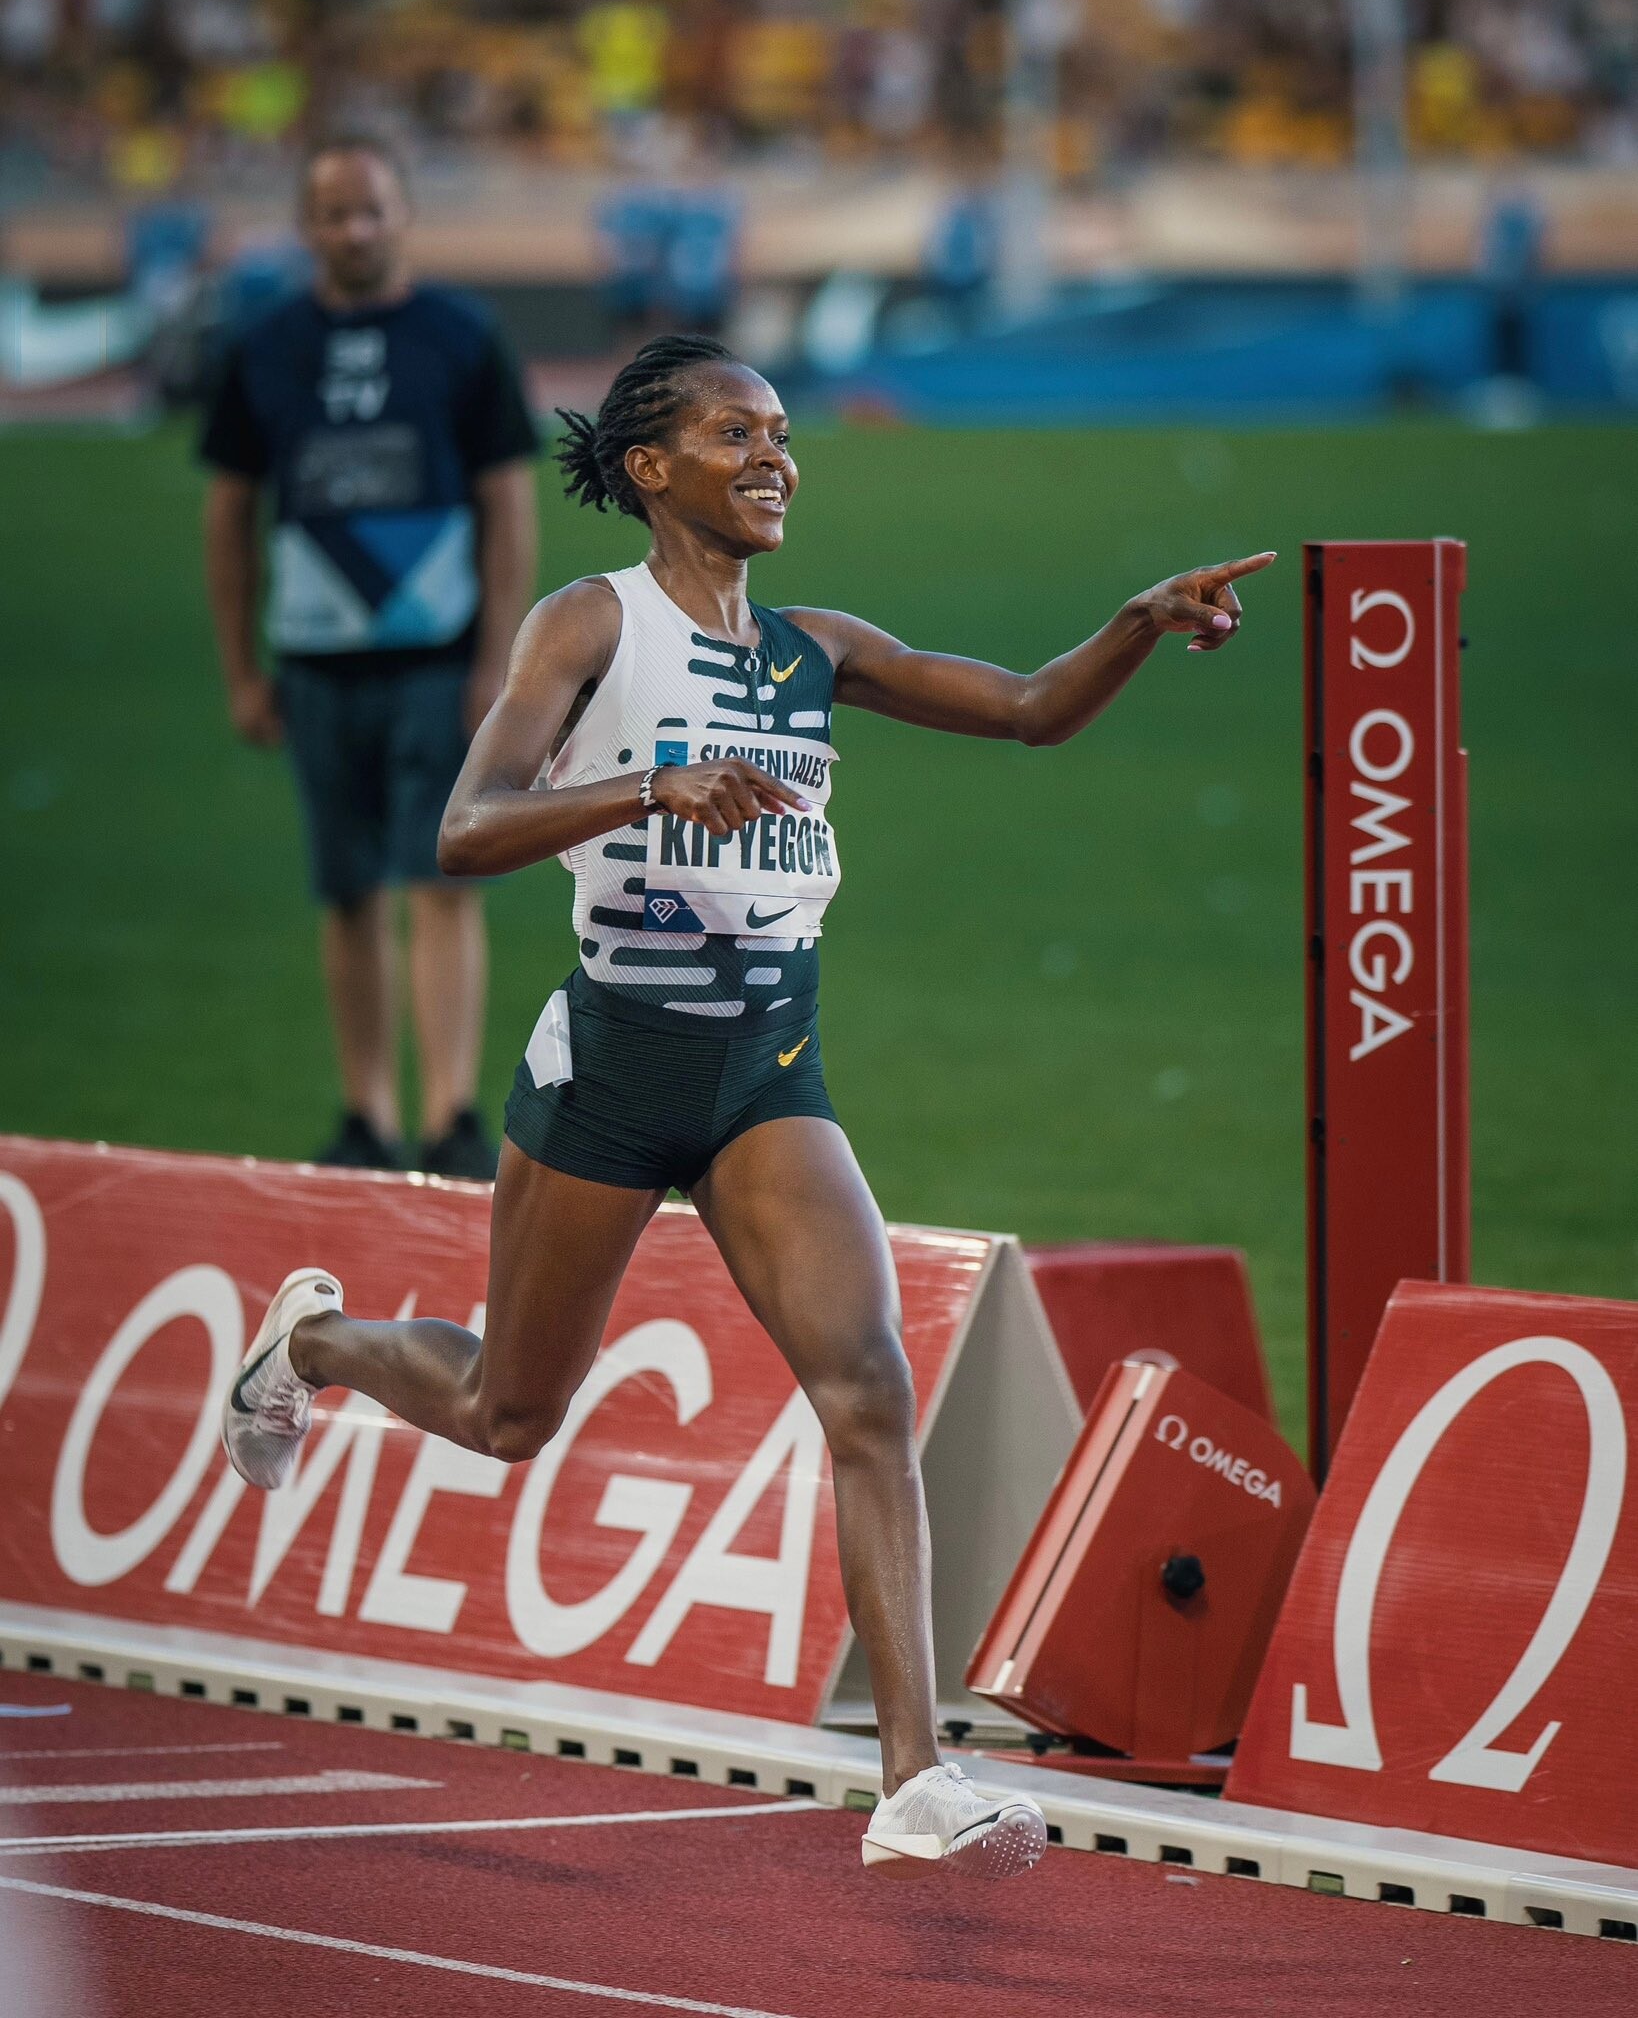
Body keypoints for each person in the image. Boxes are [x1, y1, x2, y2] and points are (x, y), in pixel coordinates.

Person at [221, 333, 1274, 1876]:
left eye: (781, 433)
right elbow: (466, 829)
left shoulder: (816, 648)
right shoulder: (592, 622)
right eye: (736, 434)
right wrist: (648, 788)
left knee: (869, 1390)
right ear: (650, 467)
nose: (775, 457)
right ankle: (310, 1346)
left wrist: (1133, 623)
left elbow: (1028, 709)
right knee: (507, 1414)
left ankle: (914, 1779)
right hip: (612, 1066)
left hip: (767, 1068)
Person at [199, 135, 540, 1178]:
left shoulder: (462, 336)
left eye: (371, 210)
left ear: (405, 216)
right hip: (314, 664)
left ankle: (449, 1114)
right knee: (345, 891)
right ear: (306, 226)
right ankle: (366, 1113)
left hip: (438, 658)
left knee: (441, 878)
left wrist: (500, 664)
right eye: (334, 213)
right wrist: (241, 669)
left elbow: (508, 502)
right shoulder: (264, 347)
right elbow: (229, 512)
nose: (354, 230)